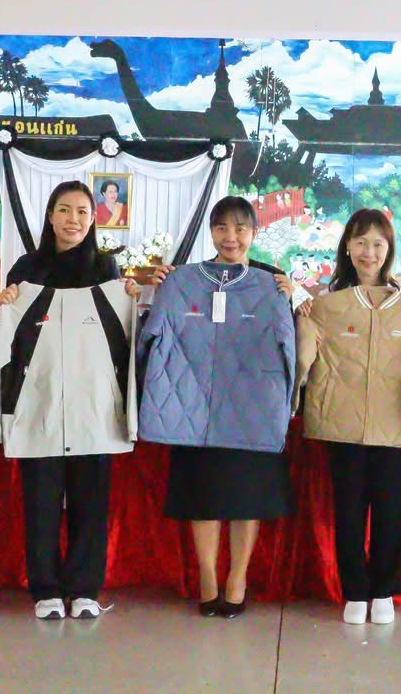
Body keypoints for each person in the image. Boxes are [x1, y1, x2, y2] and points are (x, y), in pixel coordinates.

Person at [0, 181, 141, 620]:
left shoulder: (105, 267)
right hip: (39, 401)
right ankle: (45, 590)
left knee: (90, 504)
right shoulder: (28, 268)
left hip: (92, 406)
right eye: (64, 210)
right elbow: (11, 336)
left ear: (93, 218)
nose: (72, 219)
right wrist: (5, 300)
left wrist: (131, 297)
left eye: (82, 211)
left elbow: (118, 335)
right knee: (41, 502)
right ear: (50, 215)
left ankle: (83, 590)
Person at [296, 209, 401, 625]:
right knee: (347, 510)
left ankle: (384, 589)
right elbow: (303, 358)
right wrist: (301, 316)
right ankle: (354, 591)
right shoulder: (325, 305)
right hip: (342, 423)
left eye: (378, 244)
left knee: (390, 511)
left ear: (389, 250)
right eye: (361, 242)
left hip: (399, 423)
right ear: (347, 246)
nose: (369, 252)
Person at [150, 196, 298, 618]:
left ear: (254, 232)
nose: (230, 237)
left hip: (253, 408)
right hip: (193, 407)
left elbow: (291, 345)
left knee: (247, 499)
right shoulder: (182, 280)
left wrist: (292, 297)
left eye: (240, 228)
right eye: (221, 228)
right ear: (211, 232)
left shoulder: (272, 283)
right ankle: (207, 578)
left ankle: (238, 579)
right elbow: (153, 334)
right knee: (203, 497)